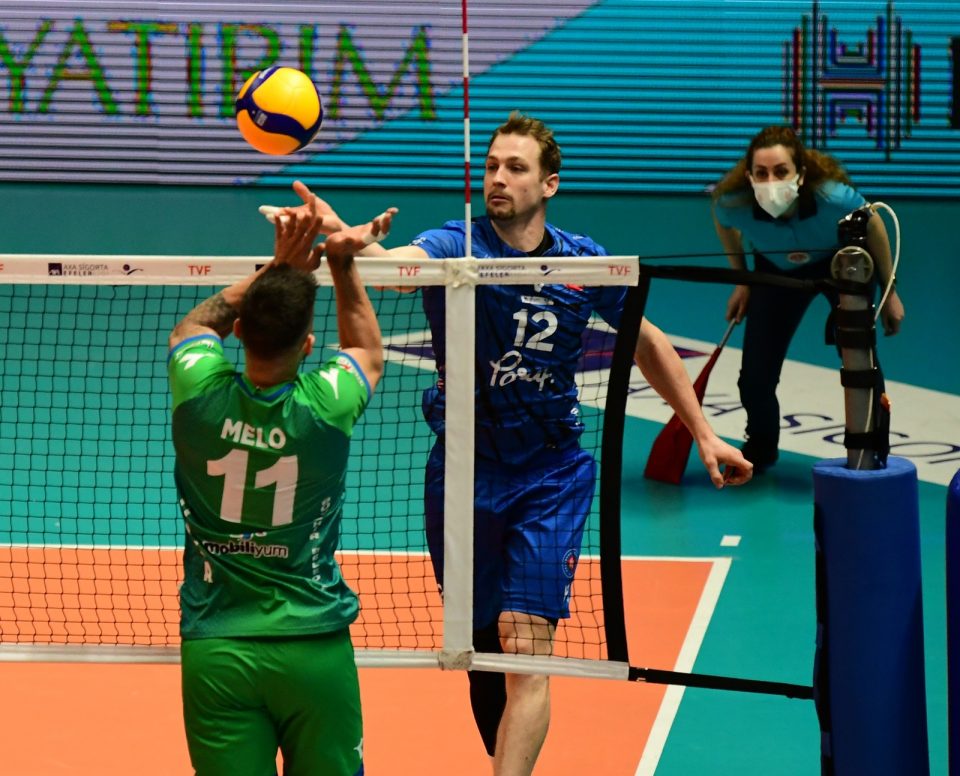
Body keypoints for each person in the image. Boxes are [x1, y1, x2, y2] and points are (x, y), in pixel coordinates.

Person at [281, 111, 752, 776]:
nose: (498, 178)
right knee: (479, 648)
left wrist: (703, 432)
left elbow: (645, 341)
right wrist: (347, 241)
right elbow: (395, 268)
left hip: (551, 474)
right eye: (492, 166)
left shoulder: (581, 261)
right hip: (462, 472)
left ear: (549, 183)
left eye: (516, 167)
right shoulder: (457, 243)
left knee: (525, 646)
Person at [167, 194, 395, 776]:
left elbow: (195, 326)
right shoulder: (326, 405)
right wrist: (340, 263)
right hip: (313, 646)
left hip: (217, 649)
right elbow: (367, 352)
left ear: (241, 331)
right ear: (309, 346)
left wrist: (277, 270)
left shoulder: (197, 392)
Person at [712, 125, 905, 472]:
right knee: (755, 377)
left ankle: (873, 449)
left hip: (840, 265)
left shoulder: (834, 198)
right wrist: (742, 281)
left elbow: (873, 224)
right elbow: (723, 223)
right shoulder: (733, 202)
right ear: (749, 176)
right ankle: (760, 449)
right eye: (761, 173)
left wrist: (889, 290)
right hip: (775, 269)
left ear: (800, 174)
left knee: (861, 364)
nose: (771, 181)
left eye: (781, 171)